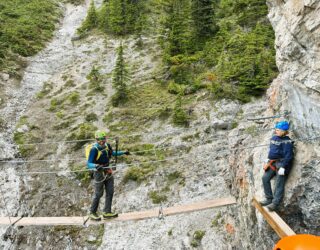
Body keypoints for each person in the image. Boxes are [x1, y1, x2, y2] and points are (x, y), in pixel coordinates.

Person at [87, 130, 130, 221]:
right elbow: (89, 163)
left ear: (105, 138)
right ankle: (92, 213)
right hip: (98, 172)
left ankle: (107, 212)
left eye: (103, 139)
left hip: (108, 170)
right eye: (99, 139)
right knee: (99, 193)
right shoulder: (94, 149)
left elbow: (113, 153)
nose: (101, 141)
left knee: (110, 191)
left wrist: (123, 152)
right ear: (96, 139)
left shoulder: (107, 146)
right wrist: (96, 165)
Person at [260, 121, 294, 211]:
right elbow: (272, 150)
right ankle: (269, 198)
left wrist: (283, 167)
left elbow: (289, 156)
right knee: (265, 178)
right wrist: (268, 159)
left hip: (282, 163)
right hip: (273, 162)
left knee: (279, 183)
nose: (276, 131)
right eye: (276, 129)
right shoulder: (274, 138)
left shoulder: (287, 142)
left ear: (283, 131)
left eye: (278, 130)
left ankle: (275, 204)